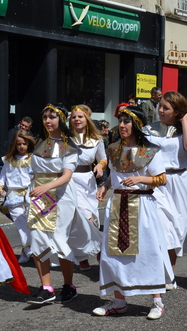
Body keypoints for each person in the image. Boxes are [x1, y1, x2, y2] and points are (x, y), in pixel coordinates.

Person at [93, 106, 174, 319]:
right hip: (118, 204)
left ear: (136, 125)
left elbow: (161, 178)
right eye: (120, 121)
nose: (121, 125)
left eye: (126, 122)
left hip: (142, 205)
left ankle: (157, 301)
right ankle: (119, 301)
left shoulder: (150, 150)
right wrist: (105, 186)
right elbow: (115, 175)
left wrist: (140, 179)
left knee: (148, 253)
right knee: (114, 255)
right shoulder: (113, 149)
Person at [26, 103, 101, 305]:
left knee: (60, 239)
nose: (48, 121)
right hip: (37, 197)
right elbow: (32, 172)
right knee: (37, 238)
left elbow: (67, 176)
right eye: (45, 117)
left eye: (52, 117)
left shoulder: (70, 146)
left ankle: (69, 285)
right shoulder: (40, 143)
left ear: (62, 119)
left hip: (61, 198)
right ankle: (47, 288)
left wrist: (45, 187)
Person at [143, 91, 187, 274]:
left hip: (179, 182)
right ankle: (157, 269)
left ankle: (169, 271)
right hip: (156, 181)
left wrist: (184, 121)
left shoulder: (185, 130)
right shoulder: (149, 130)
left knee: (176, 228)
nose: (160, 110)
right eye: (160, 106)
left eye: (165, 108)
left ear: (177, 111)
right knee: (161, 224)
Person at [68, 104, 107, 271]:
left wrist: (100, 166)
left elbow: (103, 159)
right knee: (82, 217)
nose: (77, 119)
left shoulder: (96, 139)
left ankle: (88, 252)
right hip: (69, 180)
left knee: (92, 217)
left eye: (80, 116)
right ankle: (88, 251)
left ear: (87, 119)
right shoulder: (65, 138)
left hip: (88, 182)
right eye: (74, 117)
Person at [0, 130, 36, 263]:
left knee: (30, 223)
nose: (21, 146)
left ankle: (25, 252)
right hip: (13, 196)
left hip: (30, 194)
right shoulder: (8, 160)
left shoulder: (34, 159)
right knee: (20, 223)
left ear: (29, 143)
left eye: (24, 144)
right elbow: (2, 177)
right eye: (18, 144)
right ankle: (27, 249)